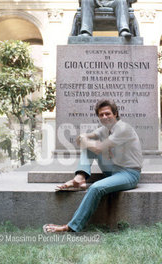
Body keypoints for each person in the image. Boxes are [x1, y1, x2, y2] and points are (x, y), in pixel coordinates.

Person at [43, 99, 143, 233]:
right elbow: (84, 138)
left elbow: (98, 148)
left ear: (115, 114)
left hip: (128, 174)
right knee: (90, 144)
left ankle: (71, 227)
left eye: (108, 114)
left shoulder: (124, 129)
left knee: (96, 188)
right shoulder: (103, 130)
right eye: (101, 115)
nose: (104, 117)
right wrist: (84, 137)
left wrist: (85, 140)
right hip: (112, 170)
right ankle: (80, 177)